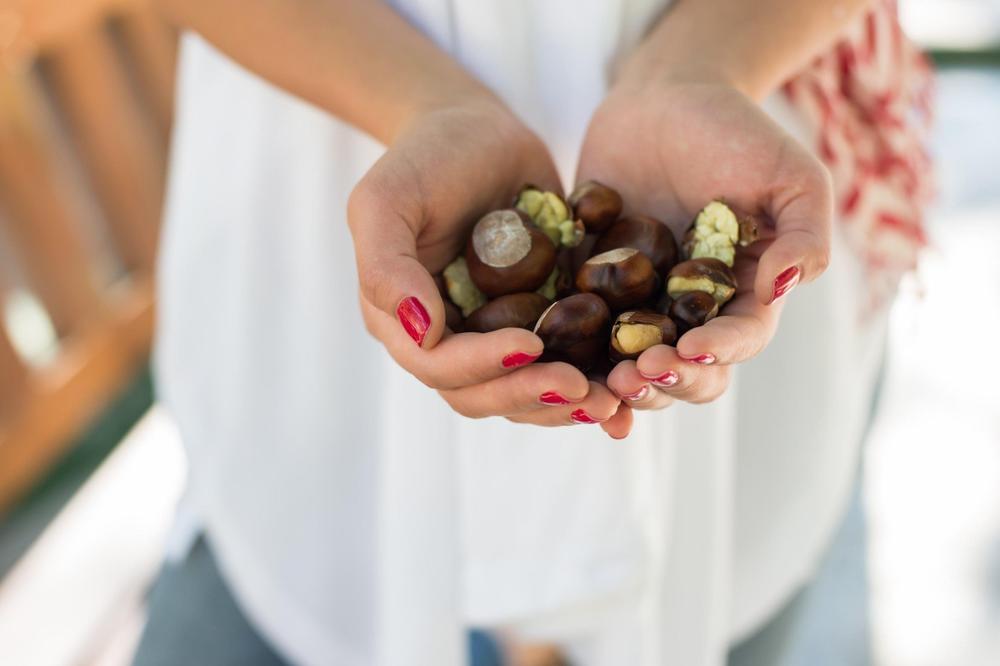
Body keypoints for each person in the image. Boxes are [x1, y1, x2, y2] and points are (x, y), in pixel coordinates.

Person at [138, 0, 933, 664]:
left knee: (730, 583)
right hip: (320, 212)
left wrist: (700, 64)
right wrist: (421, 99)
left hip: (742, 118)